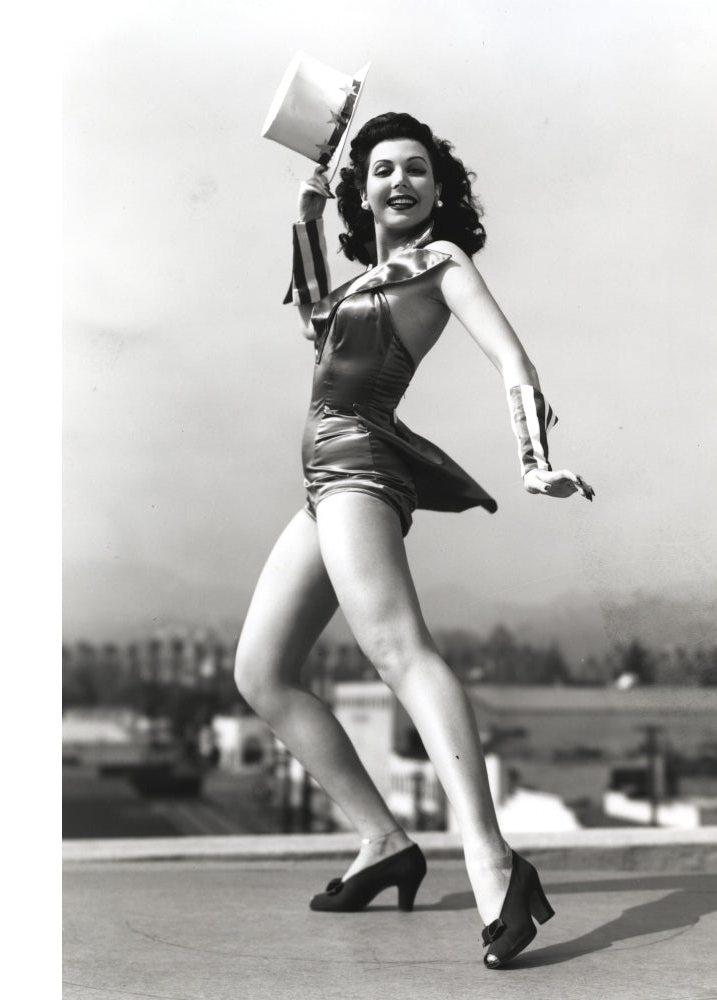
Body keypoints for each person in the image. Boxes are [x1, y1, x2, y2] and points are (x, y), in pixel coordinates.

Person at [234, 111, 593, 969]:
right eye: (384, 170)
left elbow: (514, 362)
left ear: (440, 190)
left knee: (399, 650)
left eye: (418, 171)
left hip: (362, 465)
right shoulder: (363, 282)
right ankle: (382, 840)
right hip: (325, 483)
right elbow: (314, 318)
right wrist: (307, 210)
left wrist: (535, 460)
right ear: (365, 190)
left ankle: (493, 861)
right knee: (262, 673)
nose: (401, 181)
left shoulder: (441, 264)